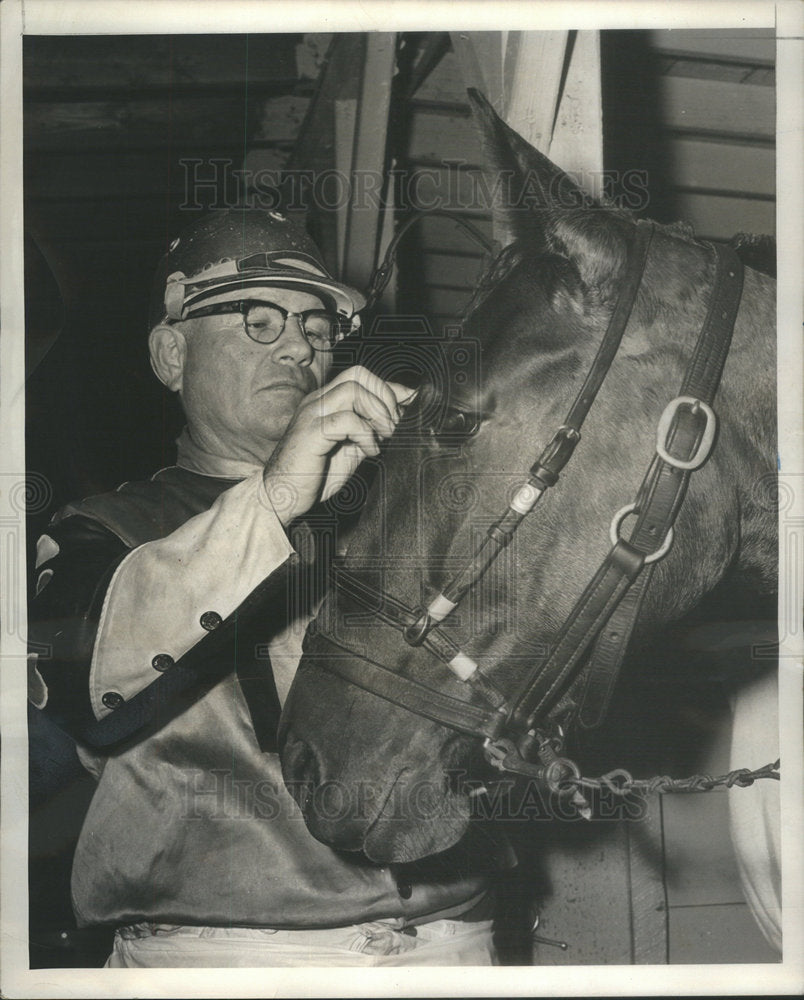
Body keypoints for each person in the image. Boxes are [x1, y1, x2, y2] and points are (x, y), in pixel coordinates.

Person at [27, 207, 505, 967]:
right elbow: (82, 682)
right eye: (257, 320)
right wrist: (278, 497)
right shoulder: (108, 530)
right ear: (170, 356)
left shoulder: (394, 518)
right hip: (224, 958)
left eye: (317, 328)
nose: (297, 345)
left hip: (447, 945)